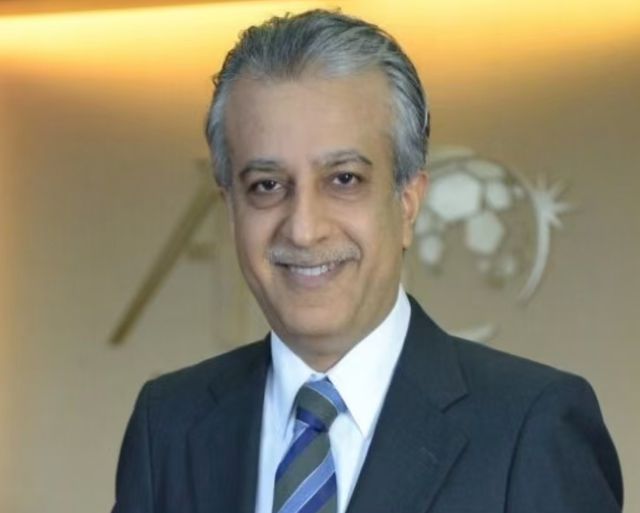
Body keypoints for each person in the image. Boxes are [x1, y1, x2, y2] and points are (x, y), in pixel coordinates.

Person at [112, 9, 623, 513]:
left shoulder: (531, 427)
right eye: (266, 186)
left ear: (408, 202)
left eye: (344, 180)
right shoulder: (168, 426)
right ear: (230, 209)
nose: (303, 228)